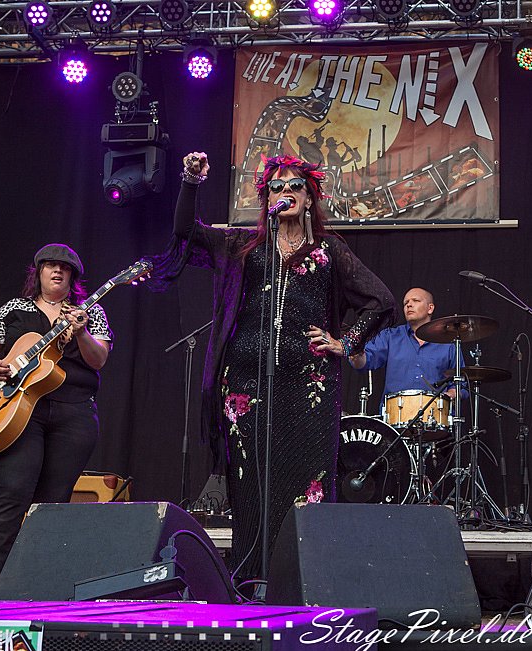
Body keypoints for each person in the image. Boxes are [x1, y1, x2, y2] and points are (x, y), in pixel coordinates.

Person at [152, 151, 394, 583]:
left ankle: (303, 580)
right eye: (277, 187)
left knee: (306, 482)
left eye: (295, 185)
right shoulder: (242, 245)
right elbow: (186, 231)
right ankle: (250, 579)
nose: (286, 191)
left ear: (310, 196)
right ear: (267, 199)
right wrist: (190, 182)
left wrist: (346, 342)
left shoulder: (329, 250)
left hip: (308, 387)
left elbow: (381, 300)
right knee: (251, 486)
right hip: (245, 384)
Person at [0, 244, 112, 598]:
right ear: (39, 272)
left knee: (52, 503)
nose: (57, 271)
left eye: (65, 267)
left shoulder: (90, 311)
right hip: (19, 411)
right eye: (50, 265)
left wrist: (81, 332)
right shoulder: (14, 309)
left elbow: (98, 360)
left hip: (73, 411)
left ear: (73, 277)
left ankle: (39, 590)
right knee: (12, 493)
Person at [348, 287, 464, 408]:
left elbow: (461, 383)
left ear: (430, 308)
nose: (409, 305)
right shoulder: (390, 336)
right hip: (394, 413)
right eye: (405, 303)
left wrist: (450, 395)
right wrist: (356, 353)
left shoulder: (448, 343)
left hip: (435, 413)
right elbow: (364, 361)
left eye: (416, 300)